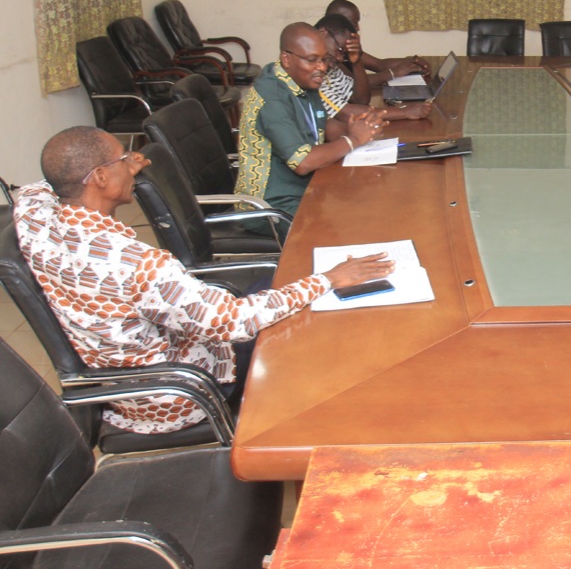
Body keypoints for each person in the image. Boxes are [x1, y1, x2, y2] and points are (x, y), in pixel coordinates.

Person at [14, 126, 396, 434]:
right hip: (179, 392)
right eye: (123, 160)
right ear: (99, 177)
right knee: (306, 321)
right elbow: (235, 322)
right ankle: (325, 426)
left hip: (122, 384)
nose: (133, 166)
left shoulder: (35, 220)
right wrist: (329, 278)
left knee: (275, 284)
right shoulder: (136, 264)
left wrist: (116, 164)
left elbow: (41, 184)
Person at [235, 22, 387, 216]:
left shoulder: (302, 81)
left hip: (306, 188)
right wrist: (353, 140)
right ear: (286, 58)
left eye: (324, 59)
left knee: (369, 199)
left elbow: (324, 127)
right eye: (312, 60)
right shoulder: (272, 99)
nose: (322, 67)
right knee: (355, 217)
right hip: (271, 205)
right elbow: (302, 162)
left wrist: (362, 127)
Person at [316, 14, 431, 122]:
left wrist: (357, 61)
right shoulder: (313, 70)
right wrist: (404, 112)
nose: (340, 58)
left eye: (344, 54)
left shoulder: (330, 65)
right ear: (322, 33)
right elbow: (345, 113)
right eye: (340, 50)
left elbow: (361, 100)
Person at [325, 0, 431, 93]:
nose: (357, 28)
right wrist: (394, 72)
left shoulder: (347, 46)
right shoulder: (328, 52)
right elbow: (352, 85)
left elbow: (379, 64)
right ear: (337, 22)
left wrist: (412, 61)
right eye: (354, 22)